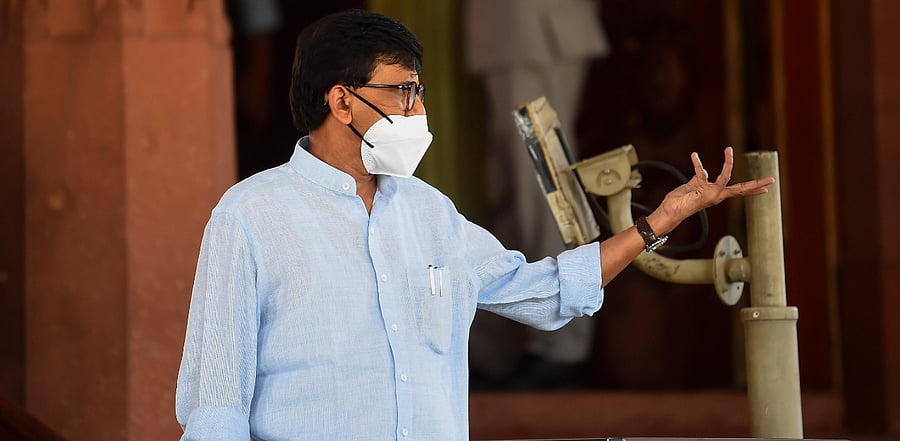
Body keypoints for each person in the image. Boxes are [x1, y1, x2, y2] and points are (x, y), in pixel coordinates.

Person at [174, 9, 774, 440]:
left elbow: (543, 292)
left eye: (420, 91)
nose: (419, 111)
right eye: (403, 92)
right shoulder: (250, 215)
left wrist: (658, 222)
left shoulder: (430, 212)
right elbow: (216, 404)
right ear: (342, 102)